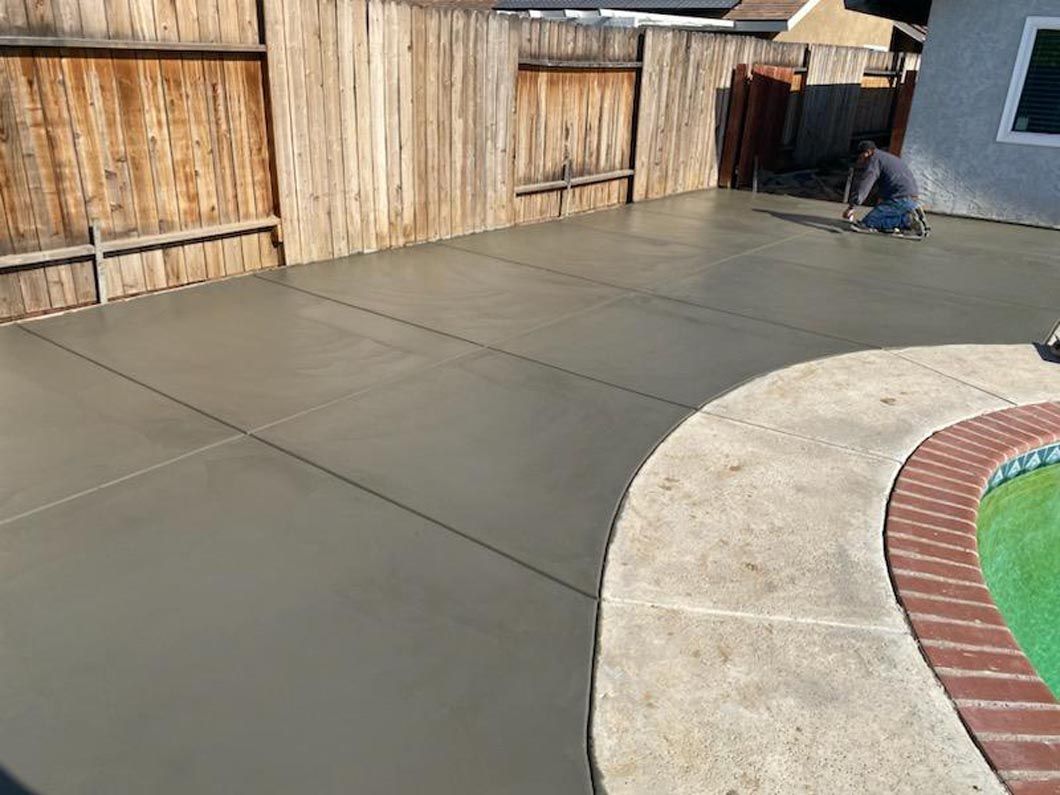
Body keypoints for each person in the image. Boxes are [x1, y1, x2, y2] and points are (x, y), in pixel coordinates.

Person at [843, 140, 929, 236]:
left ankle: (907, 221)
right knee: (881, 214)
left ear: (867, 153)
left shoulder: (874, 160)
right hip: (910, 197)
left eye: (860, 157)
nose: (860, 161)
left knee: (869, 222)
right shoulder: (886, 158)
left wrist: (852, 206)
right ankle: (909, 216)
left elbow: (865, 185)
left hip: (899, 198)